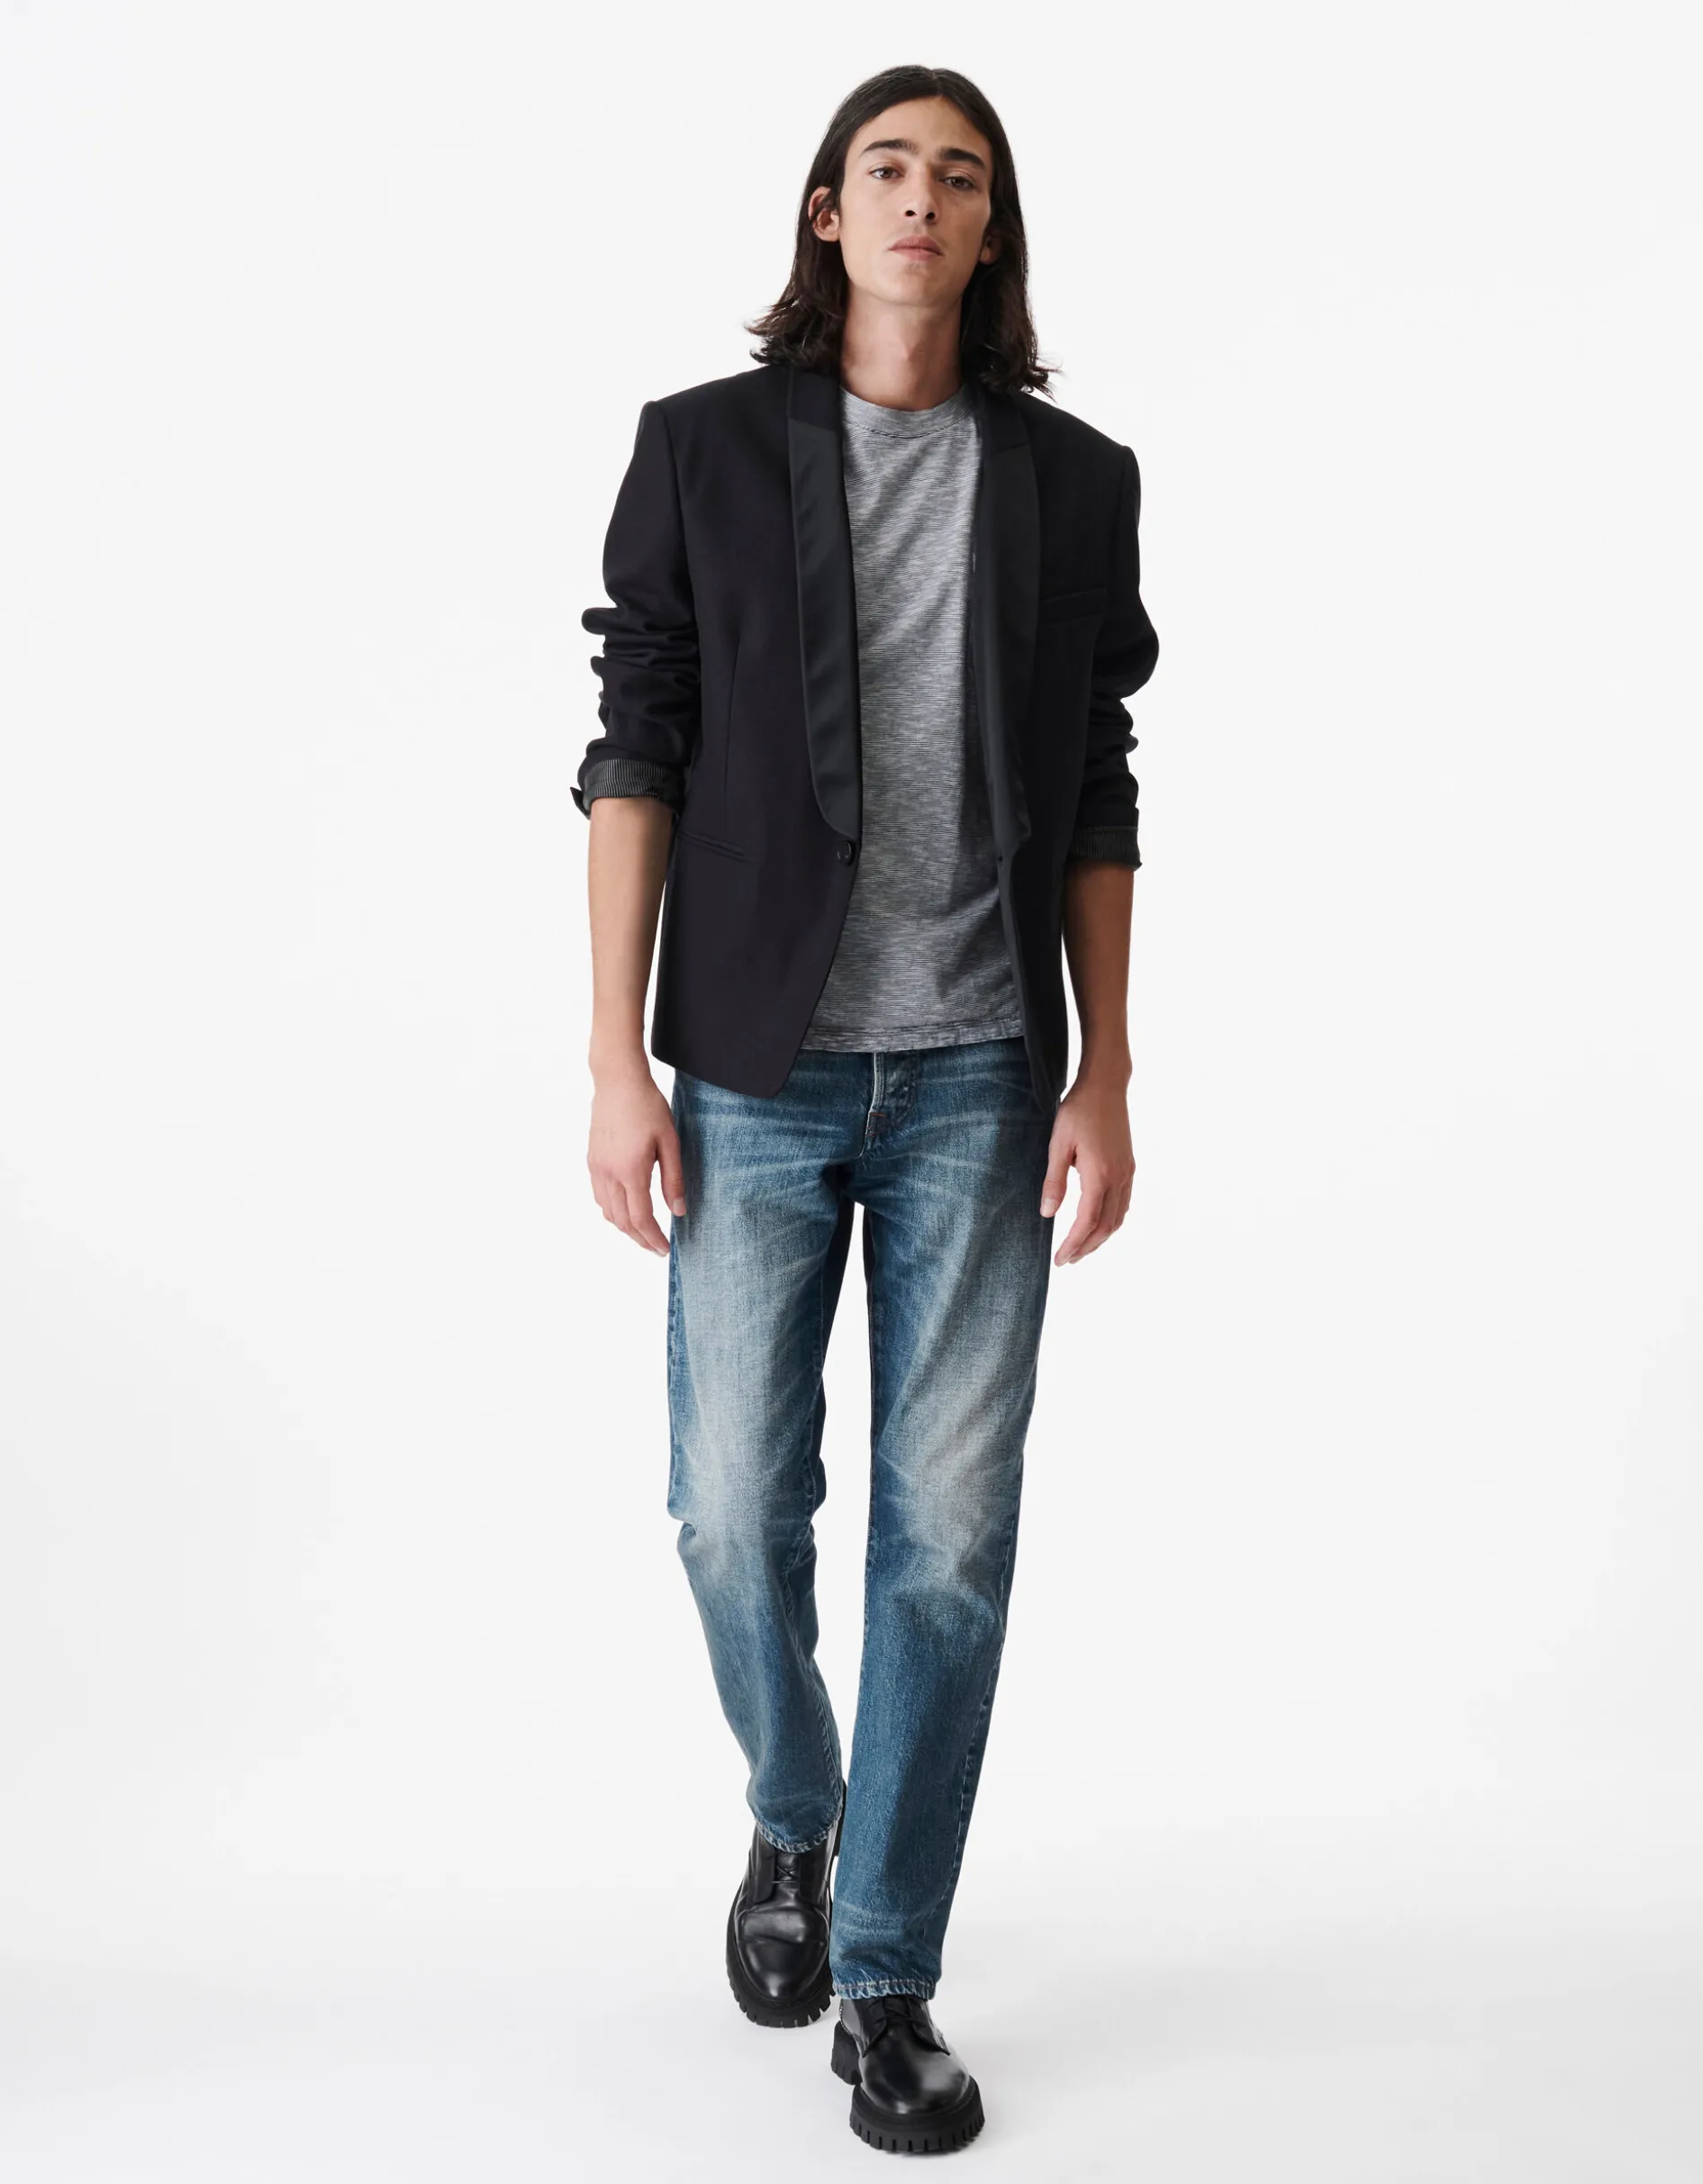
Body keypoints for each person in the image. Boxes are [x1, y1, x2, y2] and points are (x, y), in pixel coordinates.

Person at [573, 63, 1158, 2157]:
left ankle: (886, 1974)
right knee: (730, 1509)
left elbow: (1094, 778)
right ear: (827, 212)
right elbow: (636, 741)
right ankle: (792, 1809)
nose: (922, 199)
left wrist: (1104, 1063)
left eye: (959, 176)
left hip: (982, 1072)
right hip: (751, 1062)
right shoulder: (705, 451)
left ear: (990, 230)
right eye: (887, 168)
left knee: (947, 1544)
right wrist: (613, 1054)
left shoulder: (1074, 481)